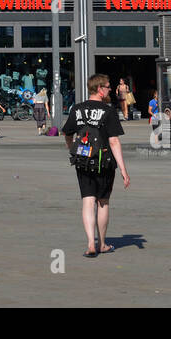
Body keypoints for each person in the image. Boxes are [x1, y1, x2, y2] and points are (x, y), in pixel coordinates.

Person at [62, 74, 130, 257]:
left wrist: (72, 149)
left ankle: (91, 244)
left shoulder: (76, 109)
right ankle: (103, 243)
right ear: (100, 90)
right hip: (104, 161)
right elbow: (114, 141)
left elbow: (67, 133)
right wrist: (123, 169)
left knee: (87, 200)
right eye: (108, 87)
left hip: (82, 161)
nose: (110, 90)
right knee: (103, 202)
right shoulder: (108, 111)